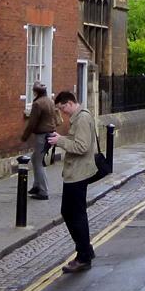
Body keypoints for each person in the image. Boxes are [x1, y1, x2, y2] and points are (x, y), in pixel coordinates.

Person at [47, 90, 97, 272]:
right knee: (71, 213)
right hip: (75, 173)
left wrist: (60, 141)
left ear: (69, 103)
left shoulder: (82, 118)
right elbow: (77, 141)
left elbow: (82, 146)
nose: (62, 113)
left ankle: (84, 256)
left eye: (62, 109)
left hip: (78, 174)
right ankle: (85, 251)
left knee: (74, 215)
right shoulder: (79, 117)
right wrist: (62, 139)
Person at [19, 83, 57, 199]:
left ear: (37, 92)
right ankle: (36, 186)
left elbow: (32, 123)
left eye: (34, 91)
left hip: (42, 136)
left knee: (38, 162)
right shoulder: (50, 101)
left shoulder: (37, 104)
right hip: (50, 134)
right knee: (35, 159)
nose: (33, 93)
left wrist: (24, 137)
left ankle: (43, 191)